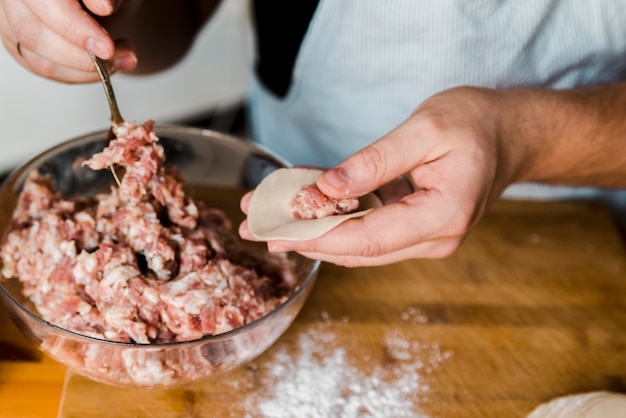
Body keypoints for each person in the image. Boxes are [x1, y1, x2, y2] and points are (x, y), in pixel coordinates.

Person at [1, 0, 625, 267]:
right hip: (291, 189)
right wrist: (106, 17)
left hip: (584, 215)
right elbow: (177, 18)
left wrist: (523, 139)